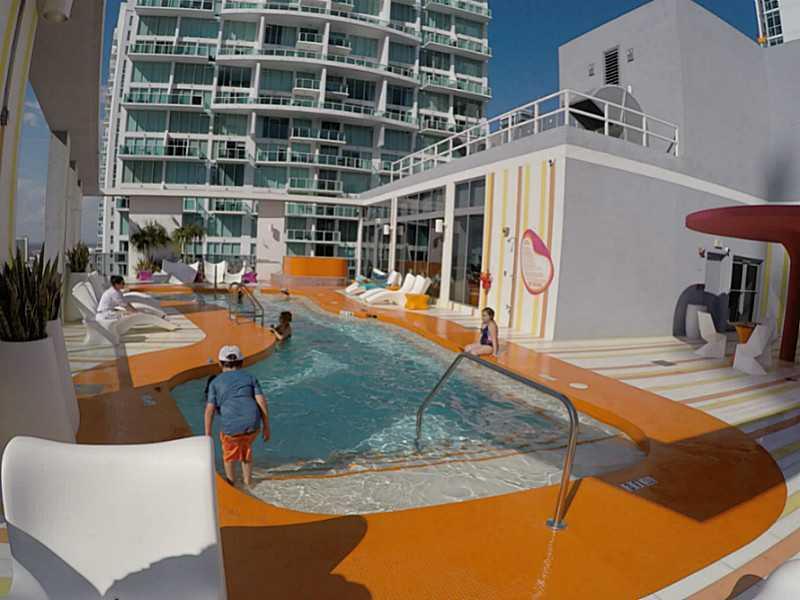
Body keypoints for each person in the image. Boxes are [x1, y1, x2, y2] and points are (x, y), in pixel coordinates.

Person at [204, 345, 270, 487]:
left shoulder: (215, 382)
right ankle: (248, 482)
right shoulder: (251, 377)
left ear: (220, 364)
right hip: (253, 424)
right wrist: (266, 426)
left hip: (231, 427)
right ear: (242, 362)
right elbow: (261, 401)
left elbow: (209, 410)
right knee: (246, 448)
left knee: (229, 454)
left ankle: (231, 483)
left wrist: (207, 434)